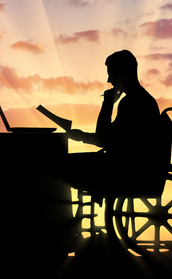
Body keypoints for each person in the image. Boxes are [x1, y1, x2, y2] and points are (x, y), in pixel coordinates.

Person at [60, 50, 165, 198]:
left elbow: (103, 139)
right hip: (135, 167)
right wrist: (80, 136)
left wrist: (107, 105)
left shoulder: (131, 103)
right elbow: (108, 138)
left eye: (111, 74)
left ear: (122, 72)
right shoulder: (143, 99)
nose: (109, 80)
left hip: (126, 171)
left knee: (61, 165)